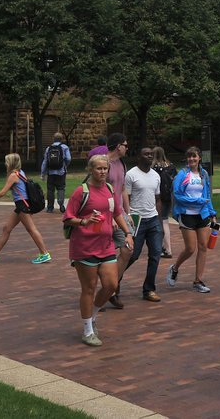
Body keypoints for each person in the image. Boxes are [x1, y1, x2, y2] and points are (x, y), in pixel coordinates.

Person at [63, 154, 133, 346]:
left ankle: (92, 315)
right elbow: (68, 218)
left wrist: (128, 233)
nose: (102, 172)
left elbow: (117, 213)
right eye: (99, 169)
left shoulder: (109, 189)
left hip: (106, 245)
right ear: (90, 170)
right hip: (84, 247)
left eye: (105, 169)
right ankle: (87, 330)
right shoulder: (81, 192)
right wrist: (84, 221)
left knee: (111, 285)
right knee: (89, 288)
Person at [0, 153, 51, 265]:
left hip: (22, 205)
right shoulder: (20, 172)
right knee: (6, 228)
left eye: (7, 161)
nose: (5, 163)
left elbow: (3, 192)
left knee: (31, 229)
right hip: (22, 205)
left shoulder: (13, 175)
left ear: (11, 163)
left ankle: (44, 253)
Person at [166, 146, 217, 294]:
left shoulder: (204, 174)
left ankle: (198, 281)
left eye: (194, 156)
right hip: (186, 214)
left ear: (199, 157)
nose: (191, 159)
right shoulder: (182, 174)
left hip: (202, 214)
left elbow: (207, 196)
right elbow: (177, 195)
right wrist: (197, 202)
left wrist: (212, 212)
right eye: (189, 157)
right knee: (190, 248)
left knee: (203, 247)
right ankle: (174, 268)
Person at [122, 146, 163, 302]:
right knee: (132, 255)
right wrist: (128, 218)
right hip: (137, 219)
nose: (149, 157)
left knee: (156, 254)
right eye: (146, 154)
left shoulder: (155, 175)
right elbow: (126, 198)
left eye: (151, 155)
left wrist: (159, 220)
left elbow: (158, 198)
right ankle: (114, 282)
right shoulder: (131, 175)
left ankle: (149, 289)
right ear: (138, 156)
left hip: (153, 219)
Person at [104, 132, 132, 309]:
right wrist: (109, 214)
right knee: (102, 256)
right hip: (104, 216)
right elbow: (99, 190)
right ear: (117, 146)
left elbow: (122, 190)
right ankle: (107, 289)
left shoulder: (122, 164)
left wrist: (128, 213)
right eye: (125, 145)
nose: (127, 148)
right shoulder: (103, 163)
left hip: (119, 214)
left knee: (127, 250)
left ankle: (112, 287)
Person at [151, 146, 177, 257]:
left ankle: (166, 248)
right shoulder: (170, 166)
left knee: (161, 222)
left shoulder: (153, 168)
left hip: (158, 198)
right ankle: (166, 247)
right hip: (168, 197)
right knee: (165, 221)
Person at [41, 132, 71, 213]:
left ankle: (50, 208)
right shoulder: (64, 147)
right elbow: (68, 158)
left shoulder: (48, 148)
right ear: (61, 139)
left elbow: (45, 161)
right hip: (61, 172)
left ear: (53, 139)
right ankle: (61, 204)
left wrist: (43, 173)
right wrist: (65, 165)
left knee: (50, 190)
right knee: (61, 188)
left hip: (50, 172)